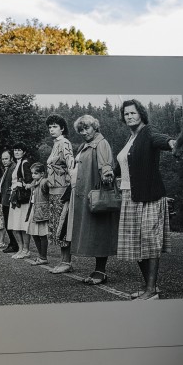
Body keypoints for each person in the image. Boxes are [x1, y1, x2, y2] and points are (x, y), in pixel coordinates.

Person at [115, 99, 178, 300]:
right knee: (135, 245)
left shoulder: (148, 132)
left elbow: (161, 139)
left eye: (133, 113)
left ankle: (151, 290)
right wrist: (112, 172)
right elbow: (127, 163)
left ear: (141, 114)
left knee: (149, 243)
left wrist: (172, 143)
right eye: (126, 114)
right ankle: (152, 287)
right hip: (128, 196)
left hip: (149, 197)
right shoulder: (130, 138)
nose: (130, 116)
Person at [55, 115, 119, 278]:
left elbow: (106, 165)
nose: (84, 132)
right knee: (93, 231)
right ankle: (98, 270)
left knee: (99, 230)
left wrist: (107, 173)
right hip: (83, 194)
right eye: (81, 130)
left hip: (94, 194)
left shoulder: (101, 143)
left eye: (87, 128)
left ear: (95, 127)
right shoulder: (86, 145)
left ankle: (100, 271)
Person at [44, 115, 75, 269]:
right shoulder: (55, 145)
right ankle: (63, 261)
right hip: (53, 190)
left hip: (63, 190)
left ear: (62, 128)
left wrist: (71, 187)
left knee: (63, 225)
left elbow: (71, 165)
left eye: (55, 126)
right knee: (57, 226)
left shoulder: (64, 143)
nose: (51, 129)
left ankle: (67, 262)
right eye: (50, 127)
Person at [8, 144, 33, 258]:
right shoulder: (17, 163)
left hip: (22, 198)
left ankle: (26, 250)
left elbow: (29, 181)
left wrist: (20, 184)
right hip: (14, 197)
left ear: (24, 152)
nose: (17, 152)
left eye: (19, 150)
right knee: (15, 225)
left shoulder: (25, 163)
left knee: (23, 225)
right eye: (15, 150)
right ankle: (21, 249)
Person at [27, 163, 51, 266]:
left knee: (42, 234)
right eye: (32, 173)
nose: (33, 175)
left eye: (36, 173)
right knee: (34, 233)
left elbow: (49, 185)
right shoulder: (35, 182)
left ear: (42, 173)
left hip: (41, 210)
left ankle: (43, 257)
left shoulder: (44, 182)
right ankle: (41, 255)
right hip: (34, 209)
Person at [0, 151, 20, 253]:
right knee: (7, 223)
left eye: (6, 159)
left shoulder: (13, 168)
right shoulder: (6, 169)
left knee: (9, 223)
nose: (4, 161)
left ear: (11, 158)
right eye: (2, 159)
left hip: (9, 199)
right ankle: (12, 243)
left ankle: (15, 244)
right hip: (4, 199)